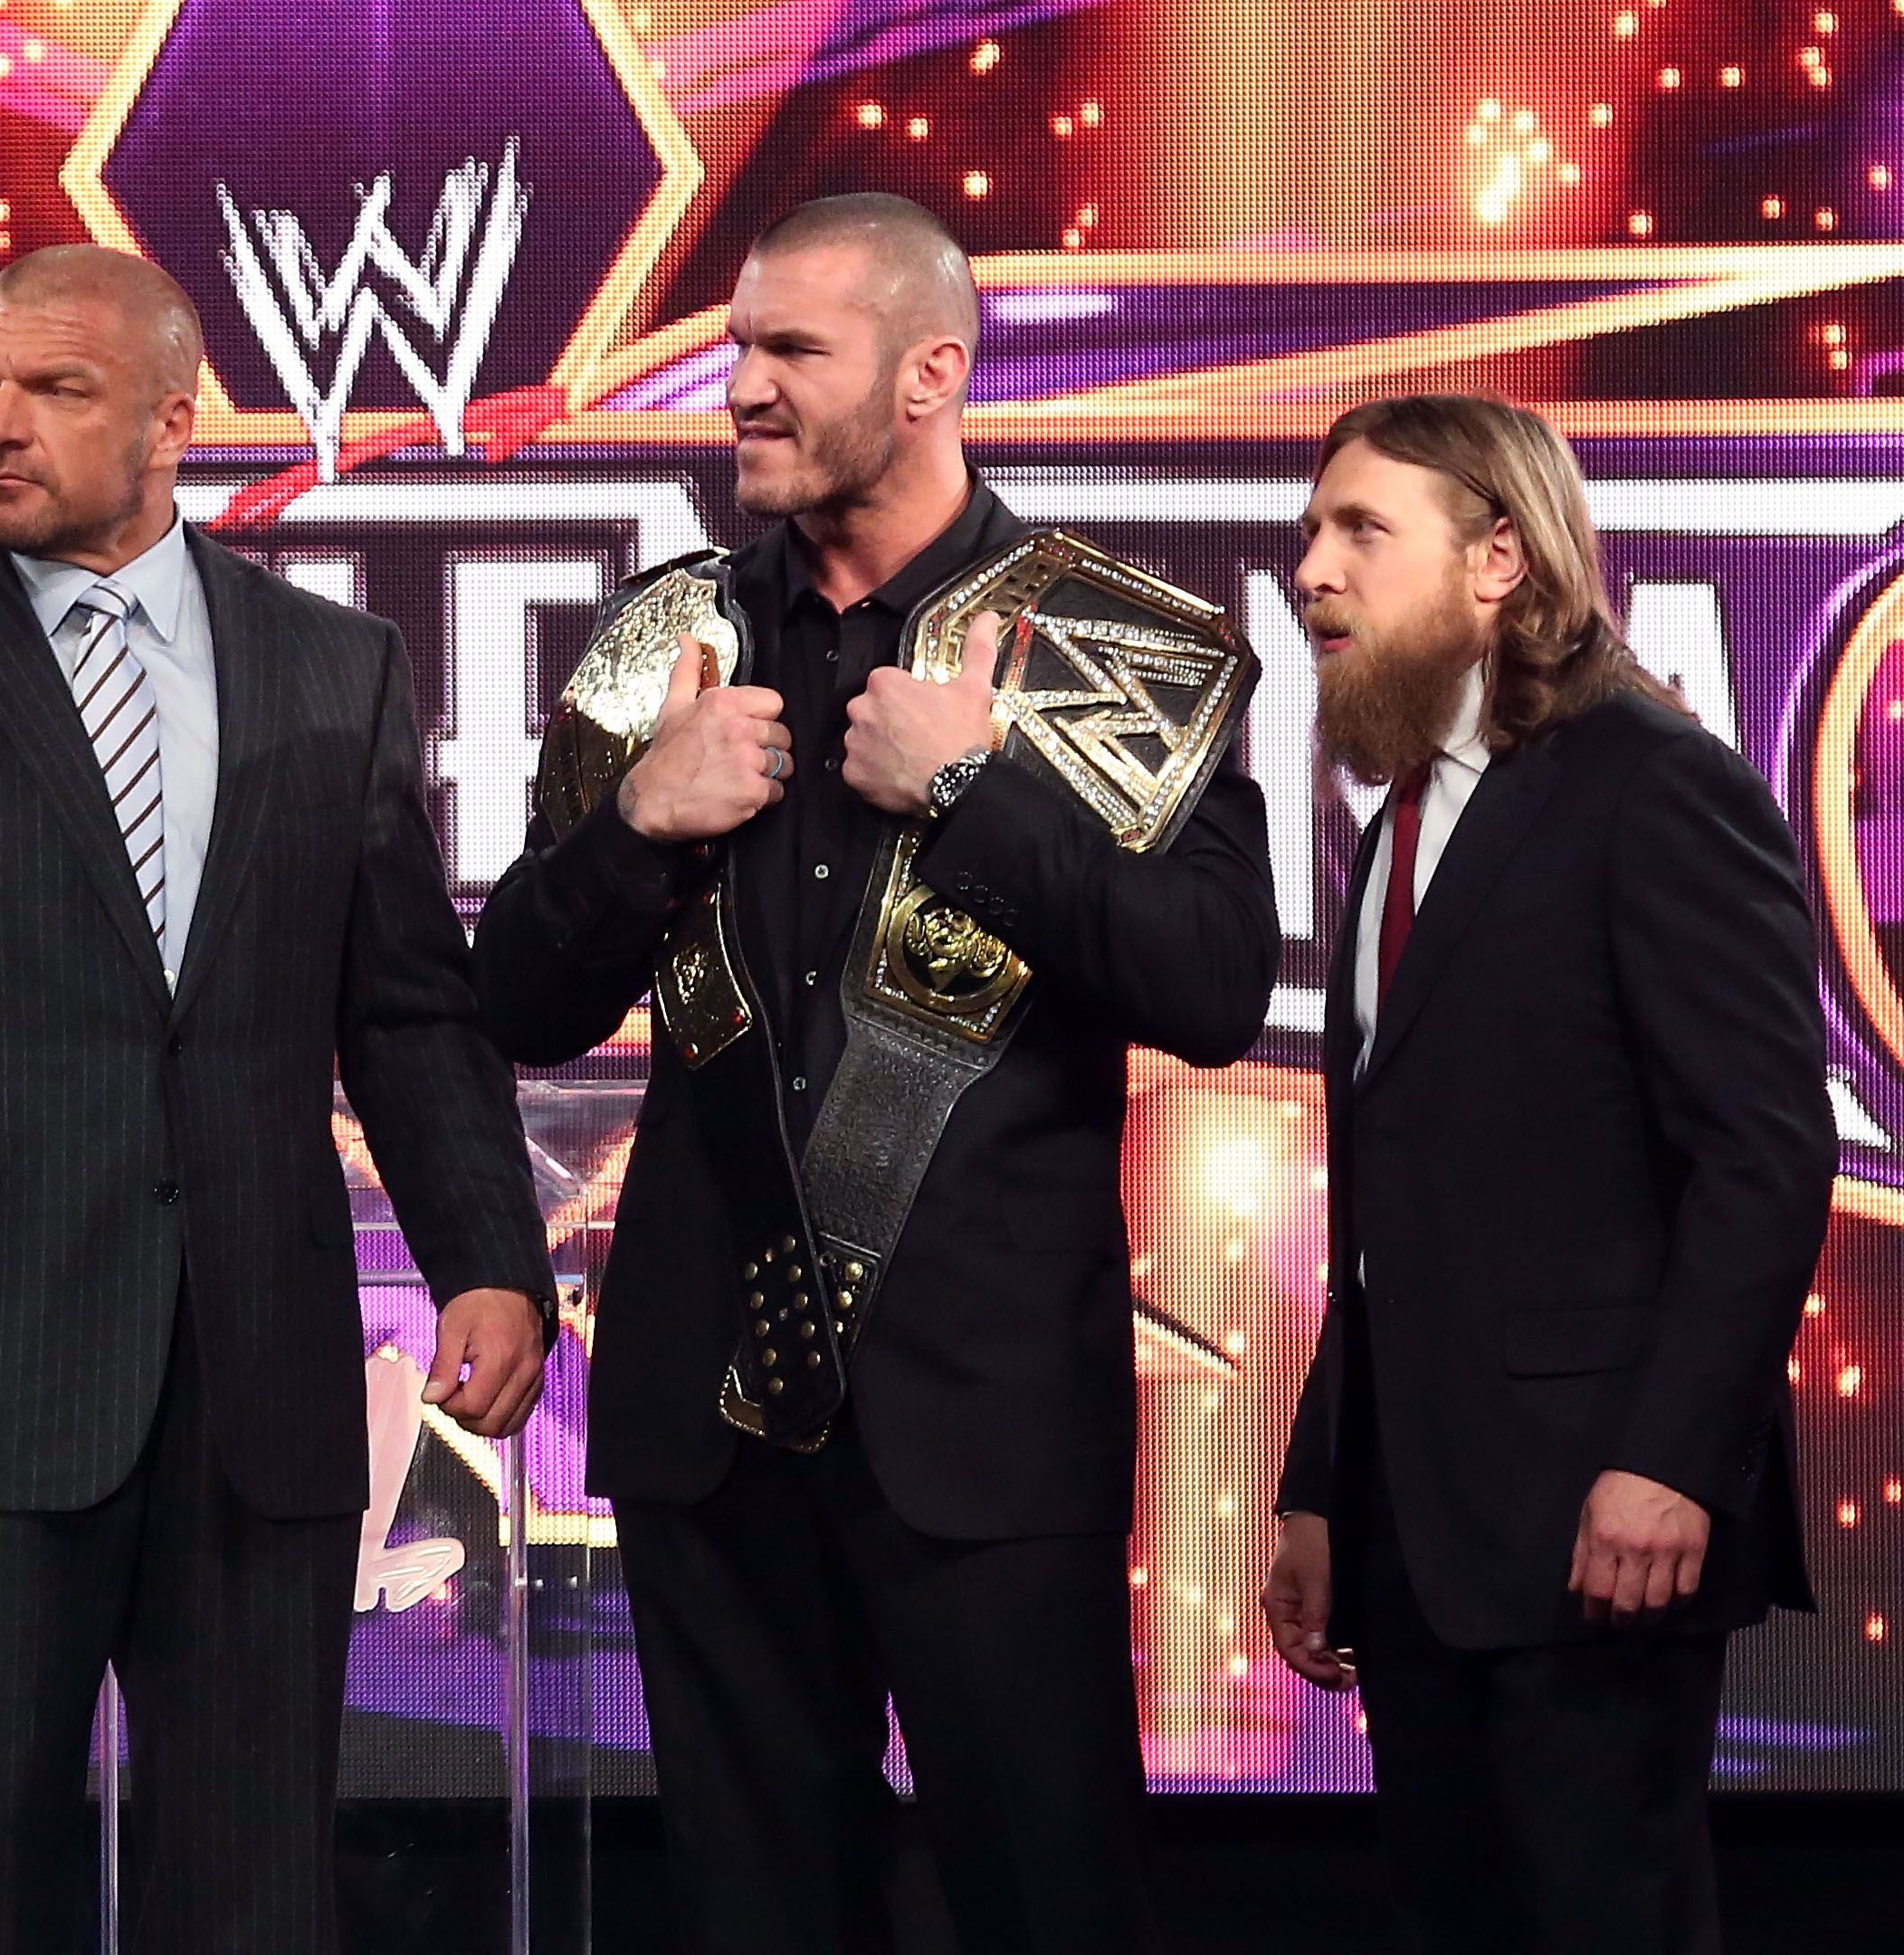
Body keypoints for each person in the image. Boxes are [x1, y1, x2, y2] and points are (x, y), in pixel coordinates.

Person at [0, 243, 553, 1955]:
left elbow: (406, 1011)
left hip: (264, 1378)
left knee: (254, 1891)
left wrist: (488, 1260)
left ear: (169, 415)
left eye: (51, 391)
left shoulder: (330, 666)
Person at [472, 194, 1279, 1952]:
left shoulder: (1119, 646)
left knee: (1048, 1904)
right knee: (756, 1912)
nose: (740, 390)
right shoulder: (658, 647)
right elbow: (518, 1001)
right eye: (736, 349)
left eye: (787, 352)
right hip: (706, 1421)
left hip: (986, 1433)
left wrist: (979, 795)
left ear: (928, 374)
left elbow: (1217, 989)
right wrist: (638, 826)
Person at [1261, 395, 1832, 1953]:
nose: (1309, 565)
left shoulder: (1651, 781)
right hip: (1416, 1530)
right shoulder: (1397, 828)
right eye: (1311, 529)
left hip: (1597, 1517)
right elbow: (1393, 1210)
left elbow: (1762, 1155)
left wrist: (1666, 1459)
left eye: (1358, 529)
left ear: (1497, 558)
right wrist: (1322, 1486)